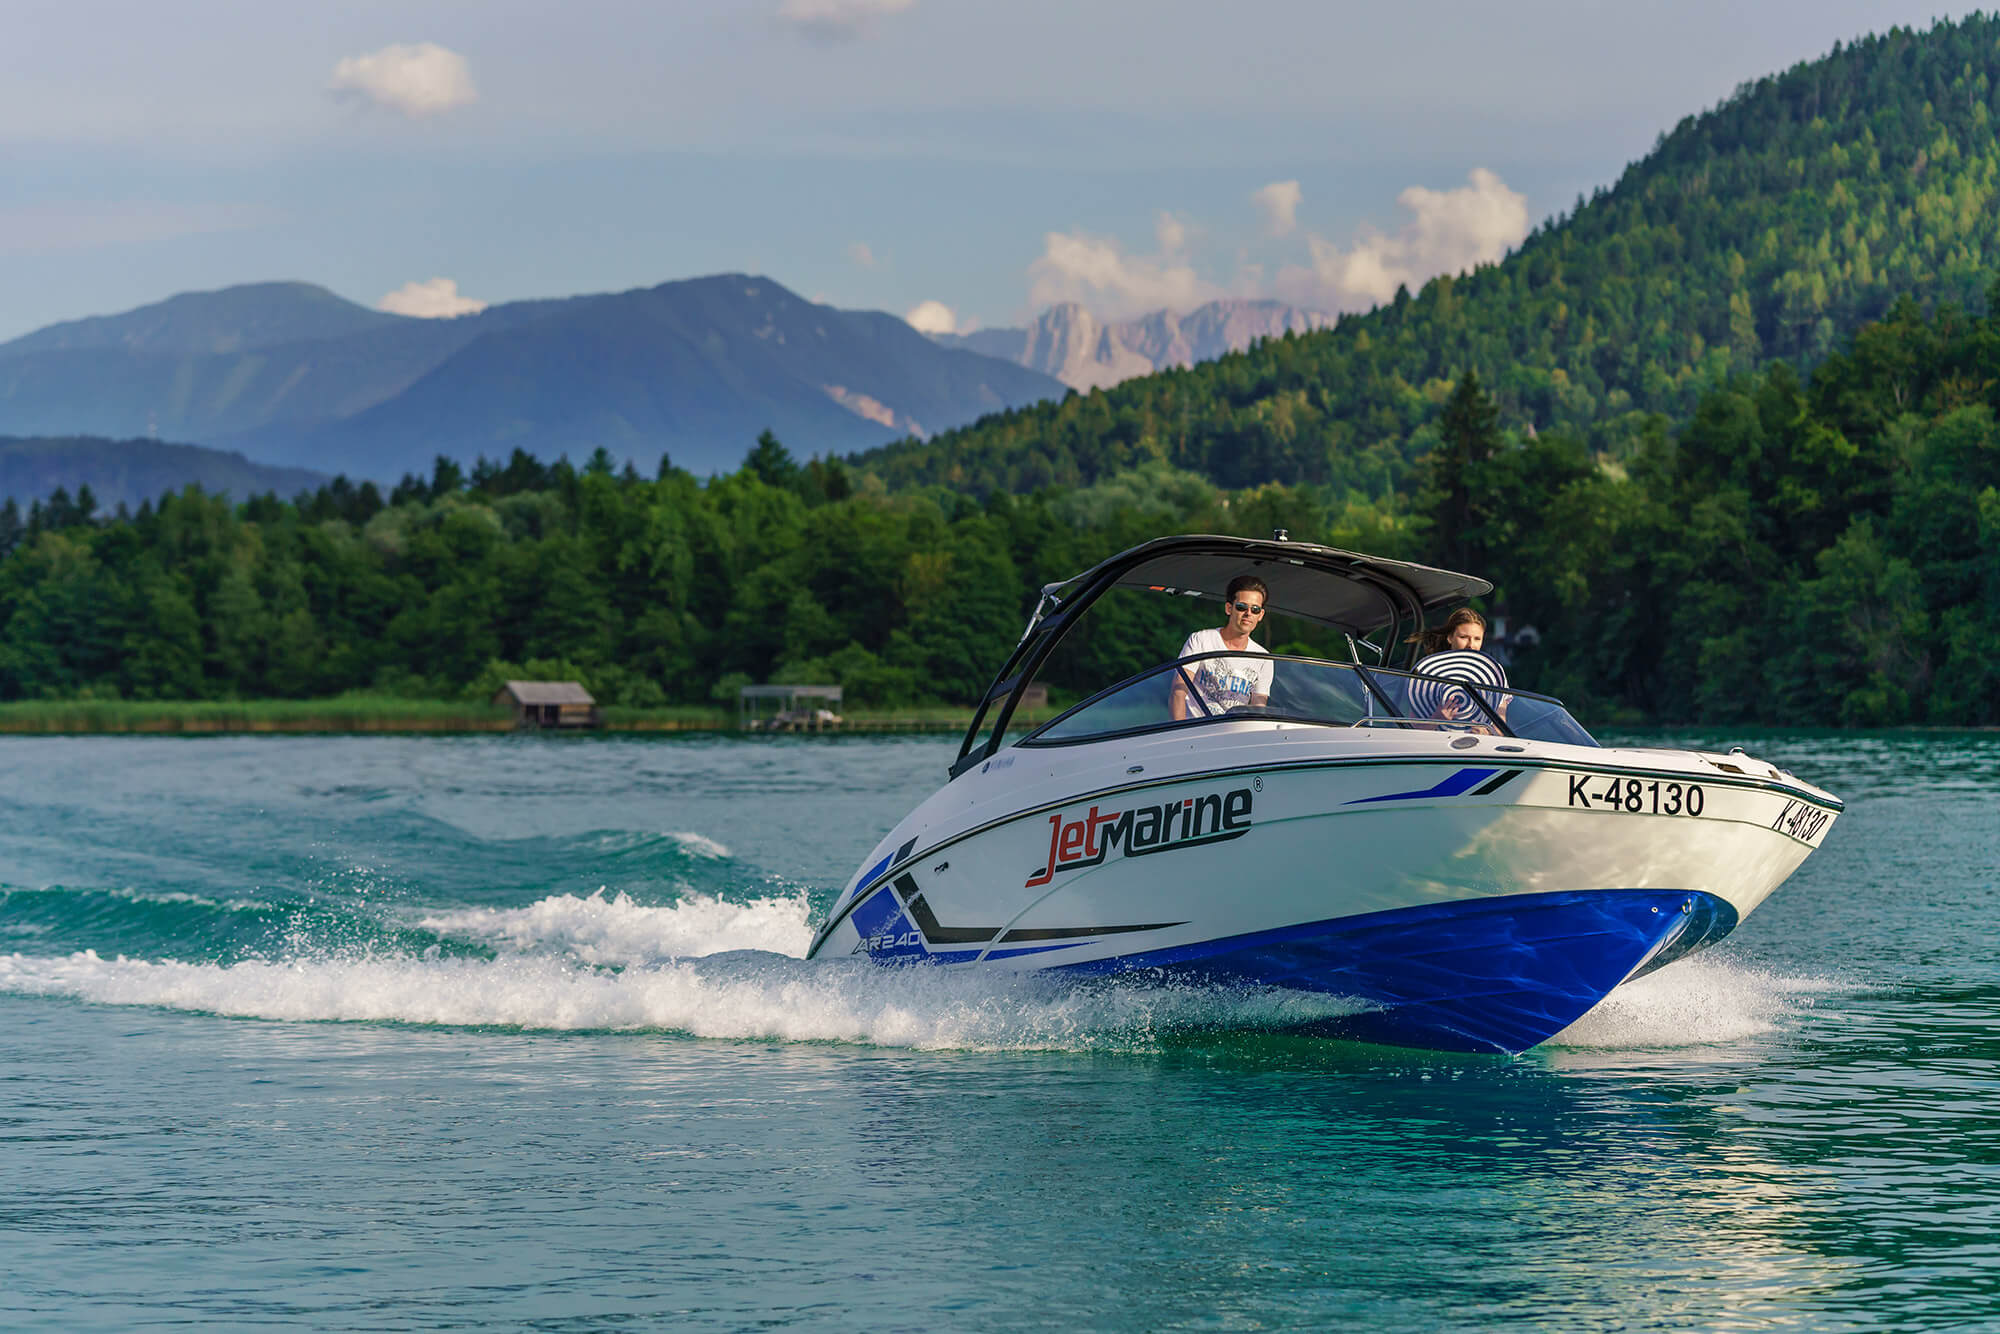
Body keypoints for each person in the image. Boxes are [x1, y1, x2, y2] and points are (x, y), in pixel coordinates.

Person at [1170, 575, 1275, 720]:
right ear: (1228, 608)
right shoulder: (1201, 640)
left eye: (1255, 609)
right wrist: (1180, 736)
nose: (1248, 613)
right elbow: (1179, 691)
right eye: (1241, 607)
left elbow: (1258, 708)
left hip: (1232, 736)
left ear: (1261, 615)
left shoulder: (1264, 658)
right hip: (1195, 732)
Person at [1413, 608, 1508, 727]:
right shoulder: (1429, 672)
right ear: (1450, 638)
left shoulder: (1493, 673)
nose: (1471, 645)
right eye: (1463, 637)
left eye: (1477, 639)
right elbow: (1413, 728)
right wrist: (1437, 719)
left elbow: (1501, 728)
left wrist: (1487, 733)